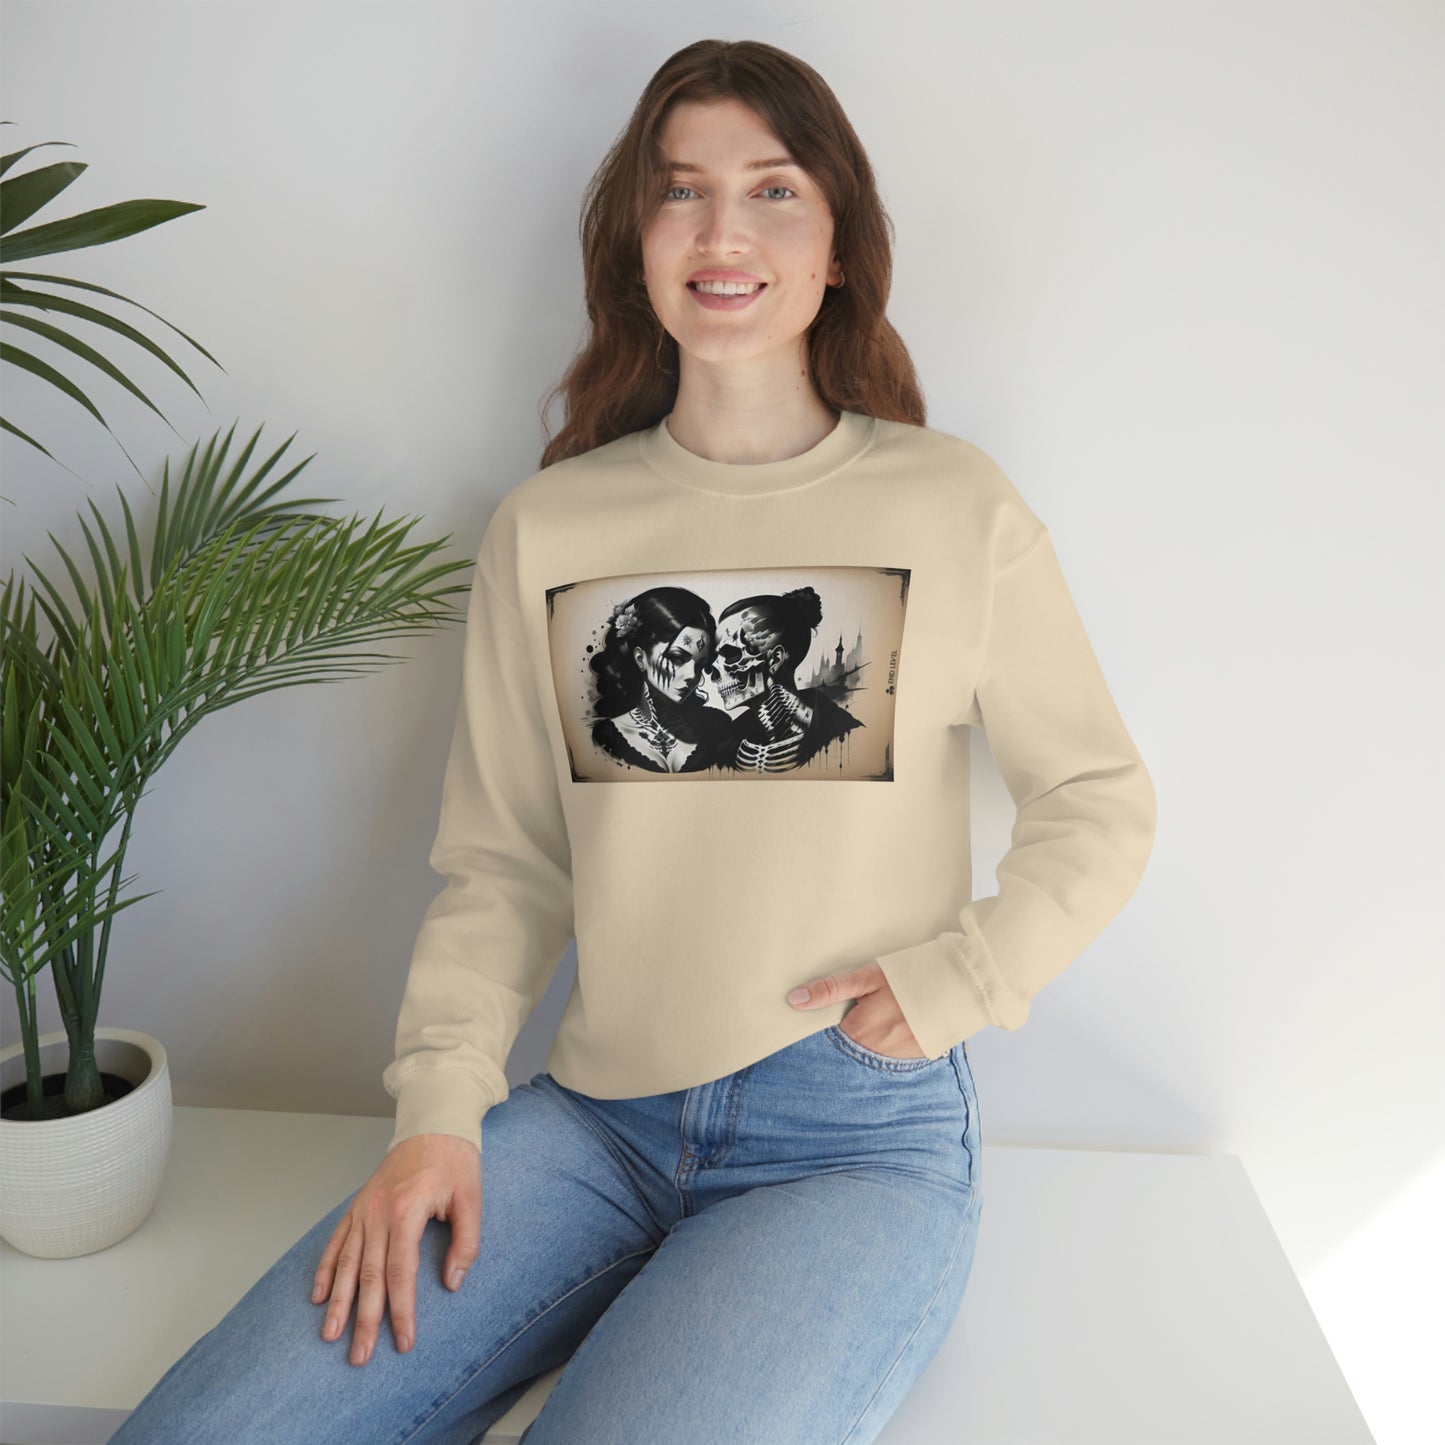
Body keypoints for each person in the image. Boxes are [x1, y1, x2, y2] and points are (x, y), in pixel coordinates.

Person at [110, 37, 1156, 1445]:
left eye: (772, 190)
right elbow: (505, 867)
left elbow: (1096, 794)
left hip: (848, 1139)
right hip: (593, 1119)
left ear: (838, 240)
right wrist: (437, 1110)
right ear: (636, 241)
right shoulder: (553, 529)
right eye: (680, 192)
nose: (723, 231)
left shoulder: (949, 505)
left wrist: (966, 972)